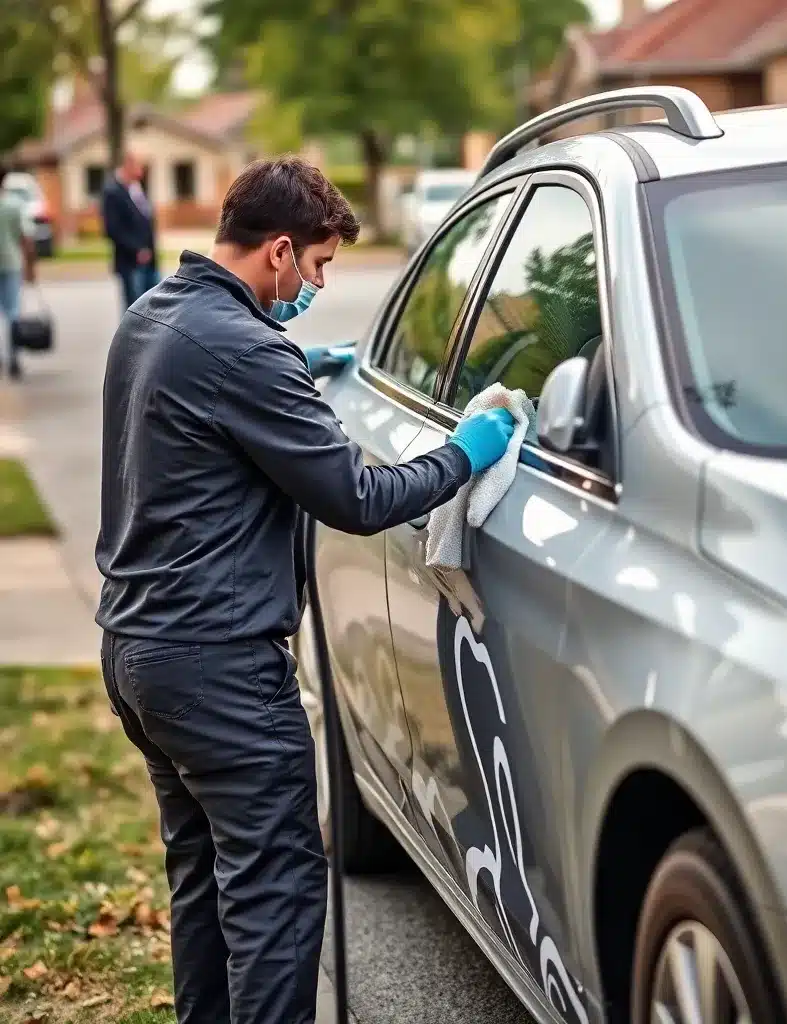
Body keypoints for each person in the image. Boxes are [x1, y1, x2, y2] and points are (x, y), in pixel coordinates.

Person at [95, 155, 514, 1024]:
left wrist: (292, 371)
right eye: (318, 266)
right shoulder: (245, 351)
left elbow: (209, 410)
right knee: (278, 893)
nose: (317, 283)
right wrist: (466, 452)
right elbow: (358, 498)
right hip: (219, 671)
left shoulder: (154, 317)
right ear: (279, 251)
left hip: (140, 656)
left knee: (207, 883)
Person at [101, 150, 159, 311]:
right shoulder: (113, 191)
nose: (142, 169)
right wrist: (137, 250)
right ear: (128, 164)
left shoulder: (137, 189)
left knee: (153, 308)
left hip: (150, 259)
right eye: (139, 165)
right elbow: (112, 229)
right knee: (135, 309)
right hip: (131, 262)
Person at [0, 164, 37, 380]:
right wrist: (31, 266)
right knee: (12, 311)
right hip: (12, 263)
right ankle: (14, 357)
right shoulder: (14, 205)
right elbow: (26, 237)